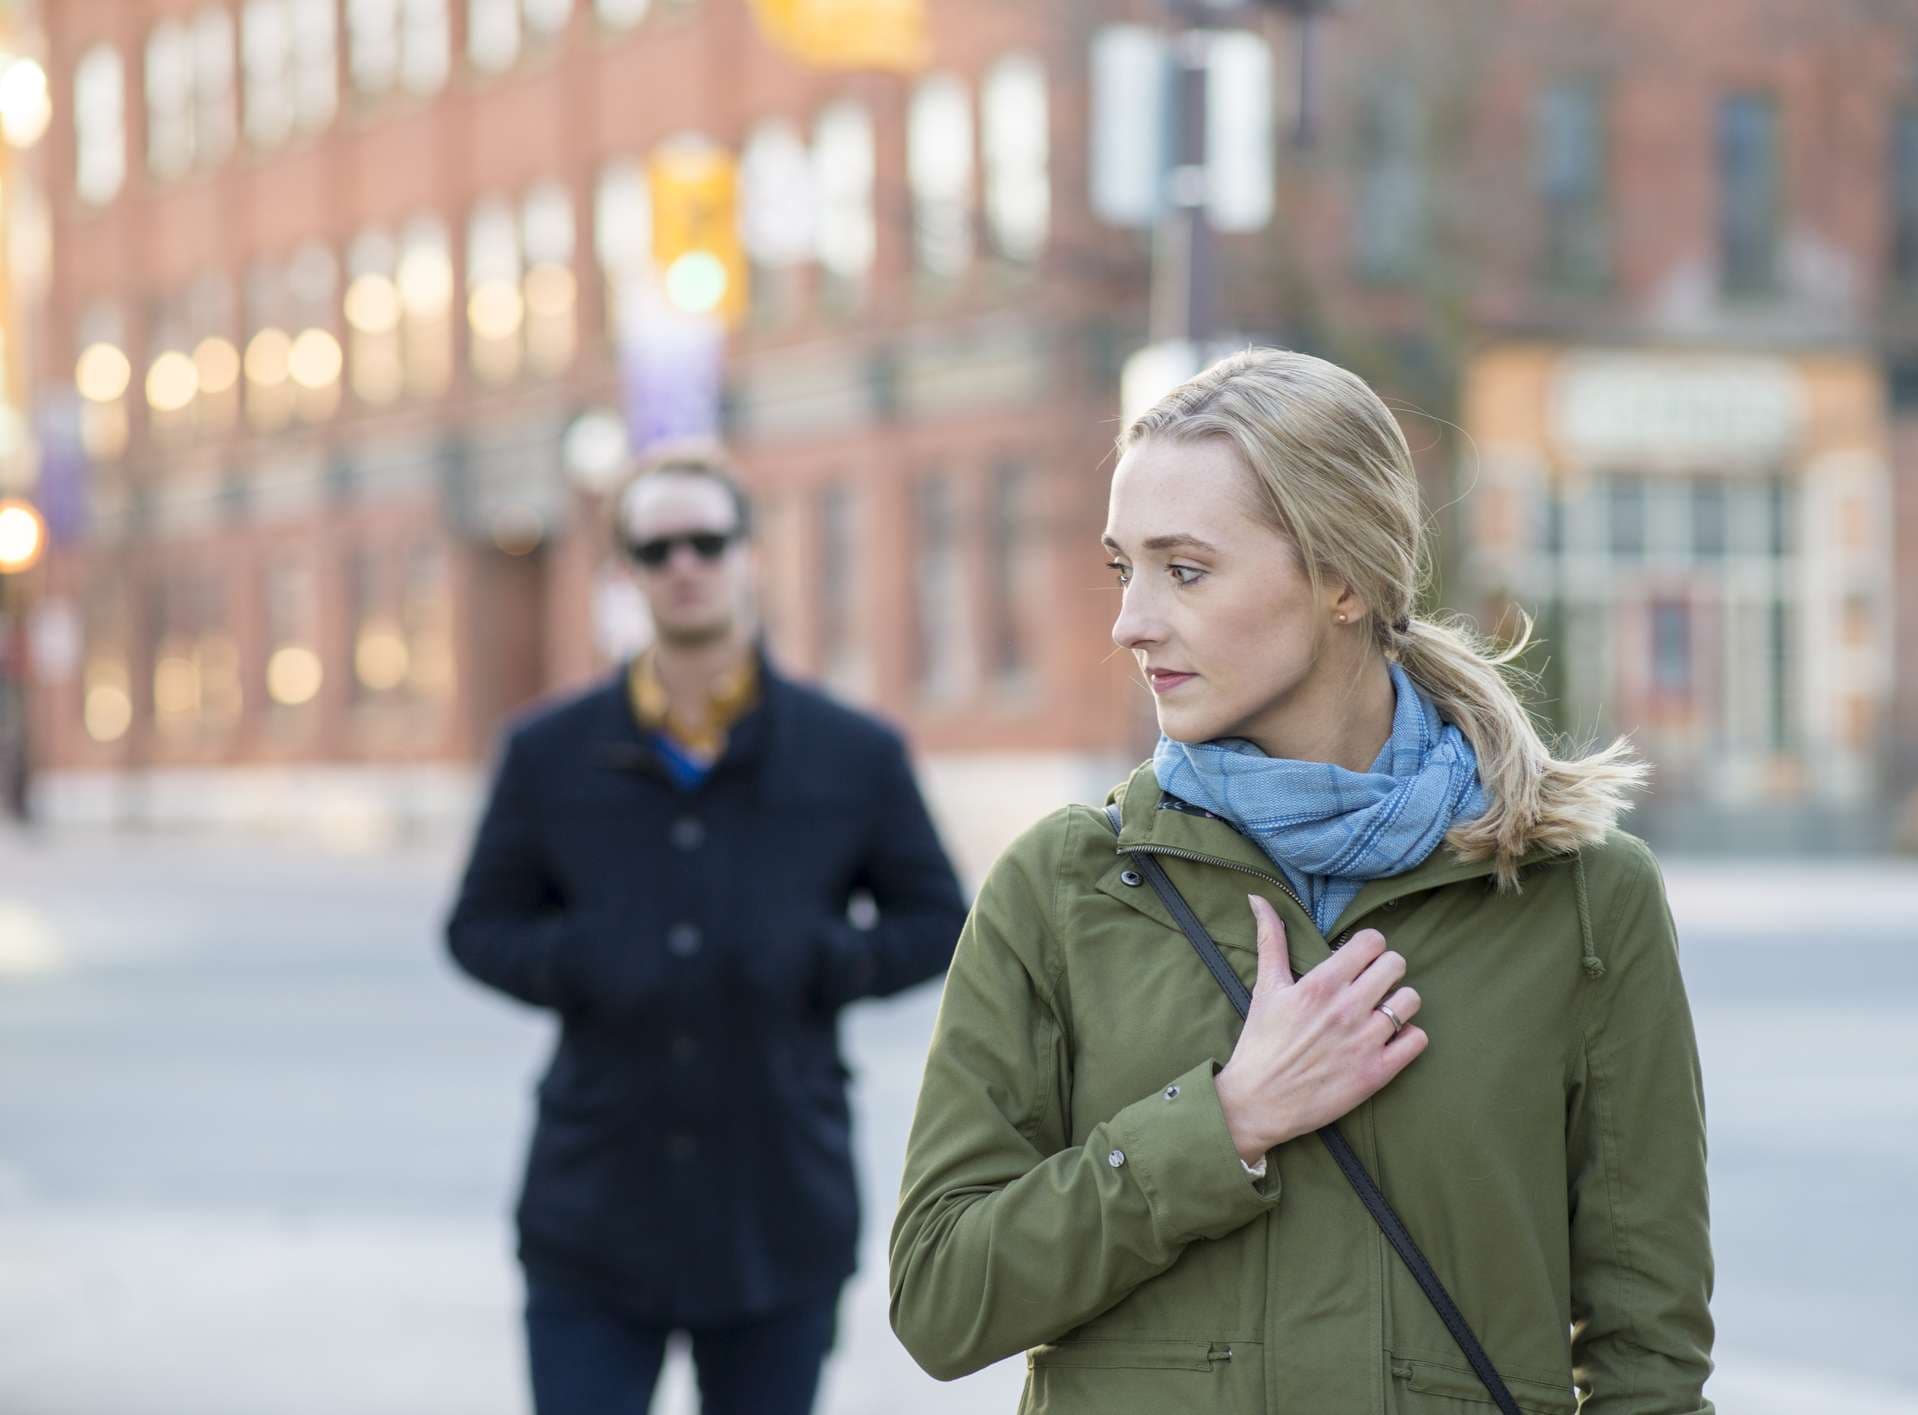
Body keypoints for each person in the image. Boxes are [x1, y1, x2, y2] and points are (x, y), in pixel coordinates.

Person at [890, 350, 1713, 1412]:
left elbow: (1649, 1350)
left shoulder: (1583, 896)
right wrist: (1222, 1123)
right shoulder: (1062, 885)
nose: (1130, 621)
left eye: (1183, 569)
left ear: (1345, 578)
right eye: (1122, 568)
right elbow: (941, 1296)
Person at [446, 442, 967, 1415]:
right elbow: (478, 926)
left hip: (777, 1207)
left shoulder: (851, 750)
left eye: (706, 541)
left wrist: (824, 960)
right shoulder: (547, 751)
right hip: (592, 1205)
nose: (683, 564)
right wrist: (584, 959)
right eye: (655, 548)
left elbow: (938, 917)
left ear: (749, 557)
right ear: (626, 573)